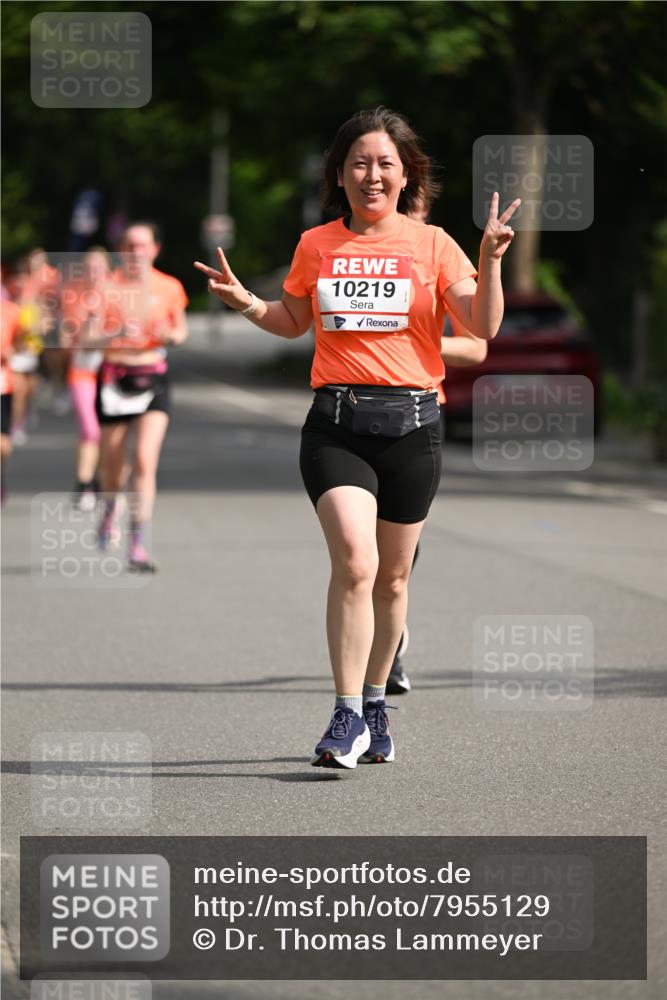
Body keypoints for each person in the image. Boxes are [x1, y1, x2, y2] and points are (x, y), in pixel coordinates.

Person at [195, 107, 518, 768]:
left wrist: (488, 261)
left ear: (406, 176)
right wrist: (249, 304)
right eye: (358, 164)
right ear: (339, 176)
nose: (372, 175)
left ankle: (375, 705)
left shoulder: (432, 245)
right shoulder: (318, 244)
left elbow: (481, 329)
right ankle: (344, 716)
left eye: (385, 164)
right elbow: (292, 320)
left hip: (412, 427)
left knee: (393, 581)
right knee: (355, 562)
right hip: (336, 425)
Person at [386, 196, 490, 695]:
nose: (412, 218)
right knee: (359, 546)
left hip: (422, 406)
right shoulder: (355, 252)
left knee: (402, 553)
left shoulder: (435, 256)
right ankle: (382, 650)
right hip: (356, 408)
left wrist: (417, 336)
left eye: (418, 210)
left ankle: (392, 643)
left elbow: (477, 344)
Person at [93, 222, 188, 571]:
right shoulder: (106, 287)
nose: (136, 252)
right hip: (114, 378)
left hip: (153, 378)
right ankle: (108, 510)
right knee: (113, 465)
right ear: (121, 250)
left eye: (142, 246)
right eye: (130, 246)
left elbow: (180, 331)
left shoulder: (169, 286)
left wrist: (169, 335)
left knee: (146, 461)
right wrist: (113, 332)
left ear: (154, 250)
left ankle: (136, 543)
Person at [59, 247, 113, 510]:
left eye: (99, 267)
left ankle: (101, 482)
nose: (94, 273)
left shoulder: (118, 296)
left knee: (107, 431)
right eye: (89, 268)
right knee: (89, 429)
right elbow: (75, 339)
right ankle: (84, 484)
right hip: (82, 372)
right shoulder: (75, 298)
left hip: (113, 372)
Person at [1, 298, 22, 502]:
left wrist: (12, 351)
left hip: (2, 385)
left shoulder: (10, 310)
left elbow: (23, 339)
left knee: (3, 445)